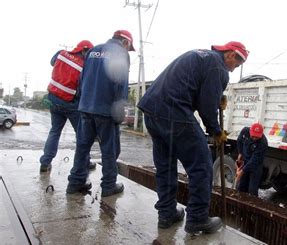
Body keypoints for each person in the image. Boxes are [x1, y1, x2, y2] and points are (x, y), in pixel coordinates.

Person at [137, 41, 249, 234]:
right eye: (235, 65)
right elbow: (205, 107)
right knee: (202, 165)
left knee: (166, 165)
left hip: (152, 111)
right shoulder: (218, 66)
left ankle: (167, 213)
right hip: (174, 112)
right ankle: (197, 218)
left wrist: (215, 100)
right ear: (230, 54)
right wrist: (216, 132)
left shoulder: (203, 56)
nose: (232, 70)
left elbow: (197, 91)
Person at [66, 30, 134, 197]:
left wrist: (83, 101)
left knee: (82, 148)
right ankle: (109, 186)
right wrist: (119, 113)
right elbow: (121, 84)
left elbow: (82, 79)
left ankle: (75, 183)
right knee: (109, 150)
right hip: (105, 110)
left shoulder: (92, 51)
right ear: (125, 43)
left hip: (85, 107)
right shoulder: (120, 54)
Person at [40, 40, 96, 172]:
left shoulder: (60, 54)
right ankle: (85, 162)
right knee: (82, 135)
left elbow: (52, 62)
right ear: (84, 50)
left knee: (55, 131)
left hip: (54, 100)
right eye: (89, 53)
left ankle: (45, 162)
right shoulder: (84, 66)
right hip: (71, 104)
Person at [235, 123, 268, 196]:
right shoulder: (245, 131)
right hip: (245, 161)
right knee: (241, 187)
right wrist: (240, 153)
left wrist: (241, 172)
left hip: (256, 165)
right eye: (253, 136)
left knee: (252, 189)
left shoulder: (263, 143)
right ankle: (241, 204)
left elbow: (254, 160)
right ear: (250, 131)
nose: (255, 138)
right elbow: (239, 141)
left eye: (257, 137)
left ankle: (252, 204)